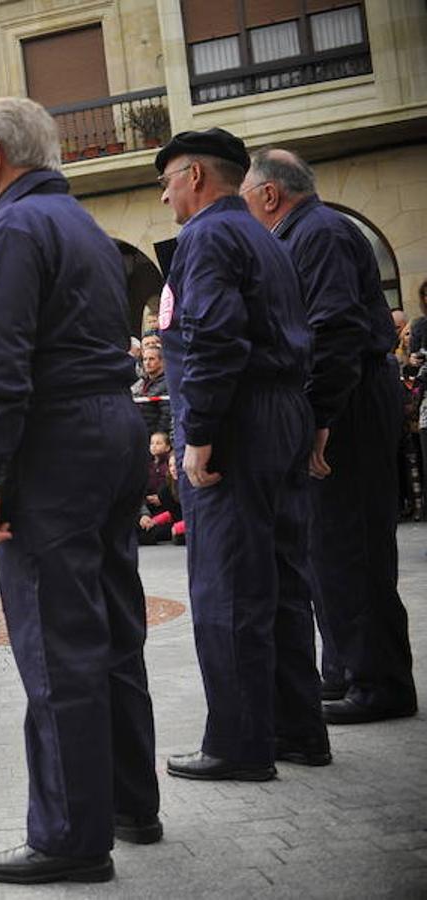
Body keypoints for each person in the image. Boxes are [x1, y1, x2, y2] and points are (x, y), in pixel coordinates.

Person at [0, 97, 159, 884]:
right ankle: (130, 801)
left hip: (53, 446)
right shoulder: (87, 229)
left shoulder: (9, 231)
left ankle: (73, 835)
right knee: (112, 622)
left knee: (55, 639)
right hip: (110, 429)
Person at [155, 129, 326, 779]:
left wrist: (197, 436)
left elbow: (212, 342)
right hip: (280, 412)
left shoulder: (207, 236)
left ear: (196, 175)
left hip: (239, 424)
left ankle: (237, 744)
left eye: (169, 180)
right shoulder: (261, 232)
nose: (166, 193)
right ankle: (298, 731)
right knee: (283, 585)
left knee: (228, 588)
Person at [241, 148, 417, 724]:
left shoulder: (320, 233)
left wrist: (317, 417)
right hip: (338, 400)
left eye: (245, 195)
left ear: (270, 194)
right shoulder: (303, 233)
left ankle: (379, 682)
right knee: (326, 546)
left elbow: (333, 329)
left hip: (351, 402)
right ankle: (344, 668)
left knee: (351, 544)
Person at [131, 346, 171, 436]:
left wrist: (158, 436)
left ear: (162, 361)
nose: (147, 363)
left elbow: (166, 415)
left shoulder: (167, 384)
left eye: (151, 359)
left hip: (155, 437)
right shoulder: (141, 382)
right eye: (145, 359)